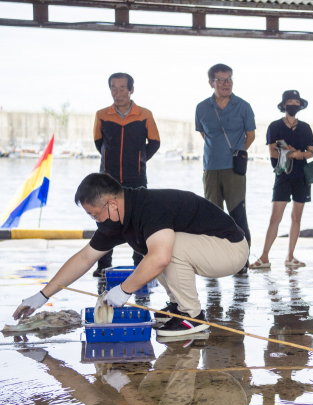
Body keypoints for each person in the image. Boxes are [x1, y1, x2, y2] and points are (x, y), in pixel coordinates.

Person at [12, 173, 249, 337]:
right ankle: (178, 307)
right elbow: (85, 258)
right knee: (158, 250)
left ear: (112, 204)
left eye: (95, 215)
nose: (96, 221)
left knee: (163, 250)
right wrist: (42, 295)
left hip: (230, 249)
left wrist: (124, 290)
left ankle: (193, 316)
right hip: (208, 248)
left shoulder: (150, 207)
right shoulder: (116, 219)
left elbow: (161, 259)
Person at [92, 72, 161, 277]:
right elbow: (99, 143)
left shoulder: (145, 114)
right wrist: (110, 161)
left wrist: (138, 160)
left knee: (137, 221)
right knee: (105, 221)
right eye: (114, 87)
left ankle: (140, 264)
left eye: (123, 88)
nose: (118, 92)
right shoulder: (102, 114)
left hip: (136, 177)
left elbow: (155, 143)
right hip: (107, 178)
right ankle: (103, 265)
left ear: (131, 90)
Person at [195, 63, 255, 274]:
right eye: (221, 80)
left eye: (229, 79)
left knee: (238, 214)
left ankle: (242, 262)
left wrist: (237, 152)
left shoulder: (243, 106)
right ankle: (214, 261)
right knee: (212, 215)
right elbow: (204, 135)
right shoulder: (202, 107)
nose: (226, 83)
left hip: (234, 169)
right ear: (211, 82)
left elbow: (251, 136)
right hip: (210, 168)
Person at [249, 90, 313, 269]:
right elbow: (272, 151)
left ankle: (290, 256)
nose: (293, 104)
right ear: (284, 105)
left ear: (300, 105)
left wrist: (294, 153)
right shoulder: (275, 126)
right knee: (275, 218)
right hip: (282, 175)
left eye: (296, 101)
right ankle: (264, 257)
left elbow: (312, 152)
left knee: (296, 217)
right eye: (290, 101)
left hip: (302, 177)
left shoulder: (306, 127)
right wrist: (293, 153)